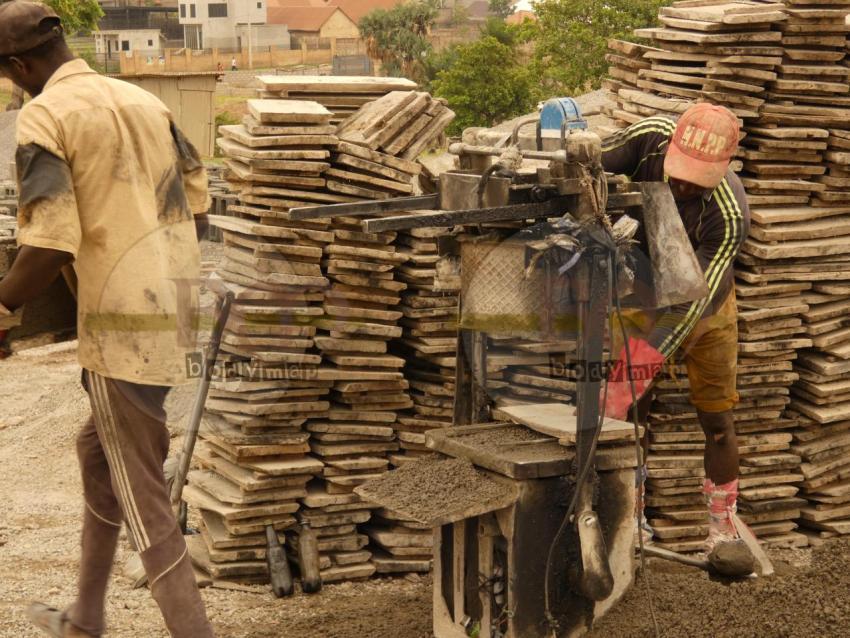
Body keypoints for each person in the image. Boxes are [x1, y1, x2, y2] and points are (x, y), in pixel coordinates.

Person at [0, 2, 215, 636]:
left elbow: (50, 241)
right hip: (174, 309)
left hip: (123, 327)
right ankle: (85, 618)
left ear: (18, 66)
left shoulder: (46, 115)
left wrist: (4, 304)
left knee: (146, 502)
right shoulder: (145, 102)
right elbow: (199, 210)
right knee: (99, 455)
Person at [600, 104, 750, 552]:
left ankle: (722, 528)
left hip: (706, 307)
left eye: (697, 180)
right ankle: (630, 516)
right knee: (631, 414)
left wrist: (642, 361)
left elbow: (690, 301)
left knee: (717, 419)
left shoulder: (729, 215)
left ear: (724, 168)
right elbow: (589, 166)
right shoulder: (649, 137)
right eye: (679, 173)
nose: (683, 186)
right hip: (640, 290)